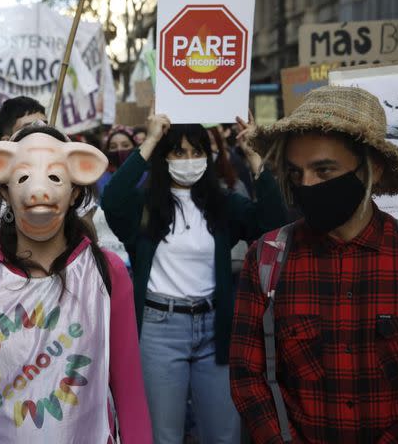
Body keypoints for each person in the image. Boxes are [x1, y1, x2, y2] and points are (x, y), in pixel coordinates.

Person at [0, 124, 152, 443]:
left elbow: (129, 391)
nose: (39, 190)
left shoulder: (107, 273)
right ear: (4, 188)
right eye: (23, 177)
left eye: (55, 177)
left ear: (76, 188)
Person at [101, 113, 288, 444]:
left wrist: (255, 156)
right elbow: (113, 198)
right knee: (163, 435)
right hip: (159, 329)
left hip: (214, 327)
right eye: (179, 152)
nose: (189, 160)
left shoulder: (223, 204)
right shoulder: (143, 207)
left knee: (224, 434)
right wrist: (151, 140)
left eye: (196, 152)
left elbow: (271, 223)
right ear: (165, 158)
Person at [230, 86, 398, 444]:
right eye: (296, 173)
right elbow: (248, 378)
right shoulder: (266, 259)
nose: (306, 185)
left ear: (373, 167)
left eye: (324, 170)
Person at [0, 96, 47, 246]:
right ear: (7, 141)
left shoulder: (69, 180)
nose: (42, 133)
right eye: (30, 127)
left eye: (45, 125)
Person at [97, 125, 137, 197]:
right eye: (113, 147)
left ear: (134, 147)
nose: (119, 150)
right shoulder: (99, 178)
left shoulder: (147, 175)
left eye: (125, 145)